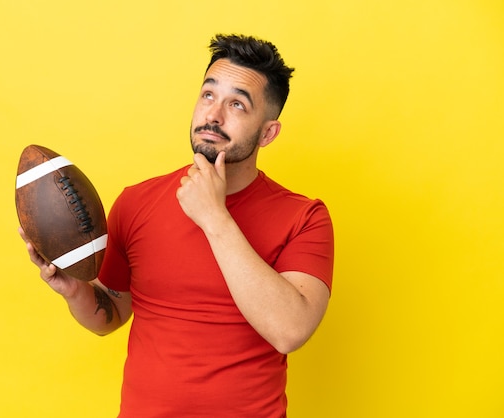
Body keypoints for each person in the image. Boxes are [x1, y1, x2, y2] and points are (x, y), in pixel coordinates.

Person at [20, 34, 334, 418]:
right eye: (208, 95)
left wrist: (215, 217)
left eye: (237, 104)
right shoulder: (136, 202)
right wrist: (74, 291)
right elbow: (111, 315)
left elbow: (290, 330)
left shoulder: (305, 217)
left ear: (267, 132)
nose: (213, 115)